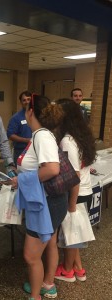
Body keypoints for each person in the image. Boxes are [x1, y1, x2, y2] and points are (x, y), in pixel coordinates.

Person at [12, 94, 68, 300]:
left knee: (31, 255)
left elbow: (52, 169)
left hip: (45, 204)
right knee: (51, 243)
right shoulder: (42, 134)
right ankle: (48, 285)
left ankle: (35, 296)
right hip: (51, 201)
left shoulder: (41, 135)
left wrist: (22, 180)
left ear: (31, 112)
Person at [54, 98, 96, 283]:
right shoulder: (82, 136)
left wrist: (71, 204)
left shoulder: (67, 141)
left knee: (70, 236)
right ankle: (78, 269)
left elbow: (74, 176)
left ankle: (68, 271)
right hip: (85, 191)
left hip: (76, 194)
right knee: (75, 232)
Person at [7, 90, 32, 165]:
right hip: (21, 151)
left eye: (29, 99)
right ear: (21, 102)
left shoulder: (37, 116)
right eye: (24, 100)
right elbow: (10, 135)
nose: (27, 102)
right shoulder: (16, 118)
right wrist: (26, 140)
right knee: (20, 174)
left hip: (35, 151)